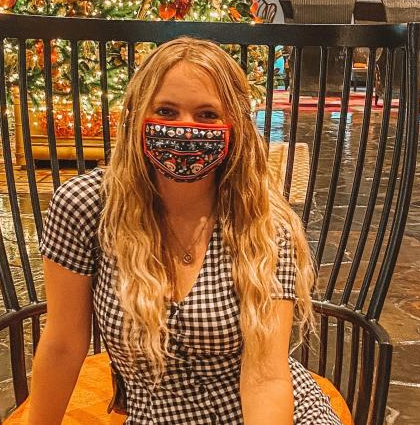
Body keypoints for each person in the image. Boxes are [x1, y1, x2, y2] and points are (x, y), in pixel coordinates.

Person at [29, 38, 341, 424]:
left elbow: (266, 376)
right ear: (137, 117)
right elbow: (63, 344)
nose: (185, 129)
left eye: (208, 115)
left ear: (235, 128)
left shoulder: (263, 221)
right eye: (166, 111)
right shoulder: (86, 205)